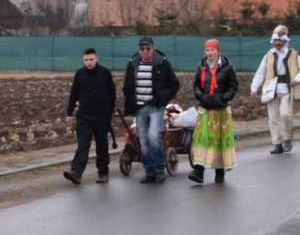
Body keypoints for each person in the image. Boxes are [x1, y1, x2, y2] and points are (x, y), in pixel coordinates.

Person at [122, 36, 180, 184]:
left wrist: (161, 99)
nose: (145, 51)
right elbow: (127, 85)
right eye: (142, 49)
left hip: (155, 107)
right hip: (140, 108)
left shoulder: (162, 63)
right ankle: (149, 171)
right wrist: (130, 102)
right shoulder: (133, 64)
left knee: (153, 136)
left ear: (153, 48)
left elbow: (174, 84)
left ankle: (160, 169)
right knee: (143, 141)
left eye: (148, 48)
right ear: (138, 50)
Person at [250, 24, 300, 154]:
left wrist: (297, 79)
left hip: (287, 89)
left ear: (285, 41)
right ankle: (277, 144)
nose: (277, 43)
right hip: (271, 90)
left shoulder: (294, 55)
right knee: (273, 118)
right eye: (275, 40)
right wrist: (254, 87)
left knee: (285, 115)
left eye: (280, 40)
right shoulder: (268, 55)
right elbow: (260, 72)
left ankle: (287, 139)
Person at [188, 38, 238, 185]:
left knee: (218, 142)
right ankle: (198, 171)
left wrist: (223, 98)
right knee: (201, 139)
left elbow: (233, 87)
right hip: (205, 109)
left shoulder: (227, 68)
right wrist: (201, 96)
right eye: (207, 50)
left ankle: (220, 172)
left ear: (218, 51)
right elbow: (196, 85)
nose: (210, 53)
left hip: (221, 111)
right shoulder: (201, 66)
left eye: (212, 50)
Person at [64, 46, 116, 185]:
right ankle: (76, 172)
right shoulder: (80, 74)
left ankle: (103, 172)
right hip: (84, 117)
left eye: (91, 59)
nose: (89, 62)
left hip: (101, 117)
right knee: (83, 145)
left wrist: (108, 114)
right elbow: (74, 94)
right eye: (86, 60)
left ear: (96, 58)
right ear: (83, 60)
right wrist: (69, 113)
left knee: (102, 146)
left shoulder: (105, 73)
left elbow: (112, 95)